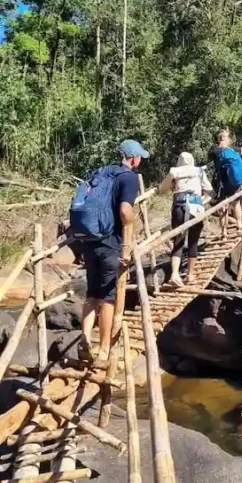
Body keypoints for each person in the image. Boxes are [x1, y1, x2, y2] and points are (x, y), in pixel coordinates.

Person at [72, 139, 149, 364]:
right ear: (134, 158)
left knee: (91, 294)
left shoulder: (103, 172)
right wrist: (128, 242)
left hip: (89, 240)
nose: (140, 161)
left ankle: (84, 339)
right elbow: (125, 212)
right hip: (110, 243)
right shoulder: (129, 178)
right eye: (140, 158)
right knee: (107, 298)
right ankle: (104, 350)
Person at [158, 151, 213, 286]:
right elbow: (210, 190)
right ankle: (190, 274)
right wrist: (203, 199)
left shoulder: (174, 171)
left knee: (178, 240)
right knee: (193, 240)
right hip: (196, 206)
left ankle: (175, 274)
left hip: (180, 205)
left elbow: (162, 189)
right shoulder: (199, 171)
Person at [210, 128, 242, 237]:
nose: (229, 138)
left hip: (223, 182)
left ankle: (225, 232)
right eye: (227, 136)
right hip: (227, 182)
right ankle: (238, 226)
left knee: (225, 206)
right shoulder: (223, 150)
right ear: (222, 138)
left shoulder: (217, 150)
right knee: (233, 204)